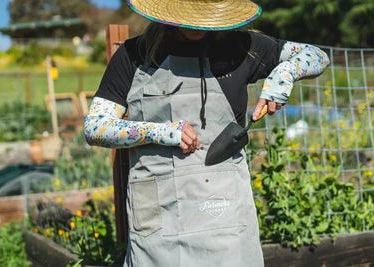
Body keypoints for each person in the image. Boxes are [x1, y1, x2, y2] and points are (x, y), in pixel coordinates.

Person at [85, 0, 330, 266]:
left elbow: (317, 55)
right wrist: (161, 131)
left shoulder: (241, 48)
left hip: (226, 215)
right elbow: (96, 128)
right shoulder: (135, 54)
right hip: (160, 214)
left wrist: (286, 72)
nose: (198, 24)